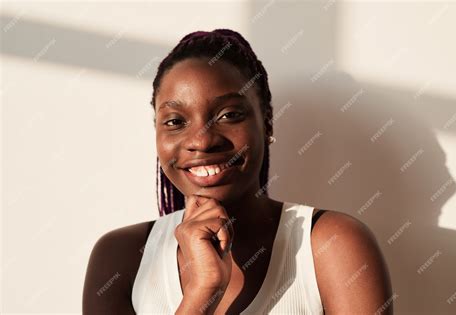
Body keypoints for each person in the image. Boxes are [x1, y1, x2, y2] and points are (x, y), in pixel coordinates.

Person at [83, 29, 393, 314]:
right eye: (176, 121)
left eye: (229, 114)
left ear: (267, 122)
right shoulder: (121, 257)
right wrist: (202, 292)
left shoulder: (332, 244)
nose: (202, 140)